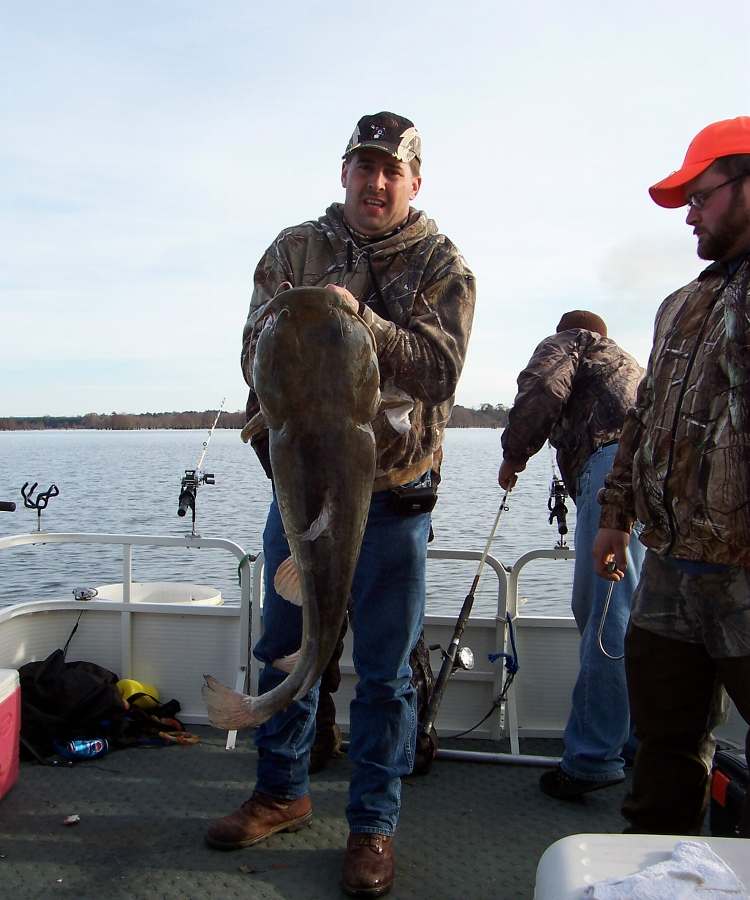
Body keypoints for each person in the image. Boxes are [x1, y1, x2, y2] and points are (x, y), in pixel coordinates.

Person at [206, 111, 476, 897]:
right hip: (299, 493)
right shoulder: (294, 250)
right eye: (365, 166)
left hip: (394, 499)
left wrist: (362, 322)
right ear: (345, 172)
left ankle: (372, 827)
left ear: (414, 182)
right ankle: (281, 790)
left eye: (393, 170)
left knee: (387, 675)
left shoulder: (442, 264)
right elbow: (257, 355)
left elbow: (439, 370)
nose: (377, 181)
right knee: (283, 640)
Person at [593, 116, 750, 838]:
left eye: (702, 194)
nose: (689, 212)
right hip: (669, 570)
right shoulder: (680, 306)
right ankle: (657, 873)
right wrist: (616, 514)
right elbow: (646, 415)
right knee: (663, 754)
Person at [498, 311, 644, 799]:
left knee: (605, 617)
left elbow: (542, 388)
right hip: (661, 479)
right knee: (648, 620)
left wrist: (515, 452)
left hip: (611, 475)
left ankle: (592, 760)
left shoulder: (572, 341)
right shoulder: (630, 367)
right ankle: (639, 742)